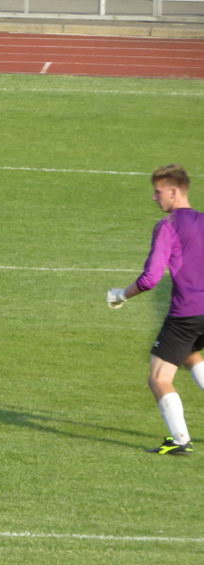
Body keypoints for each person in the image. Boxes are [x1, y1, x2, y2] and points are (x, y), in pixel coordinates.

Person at [108, 164, 204, 456]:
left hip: (187, 312)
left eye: (157, 191)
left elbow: (150, 279)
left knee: (159, 377)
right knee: (190, 355)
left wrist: (121, 295)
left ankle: (179, 441)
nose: (154, 197)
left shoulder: (168, 226)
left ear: (173, 191)